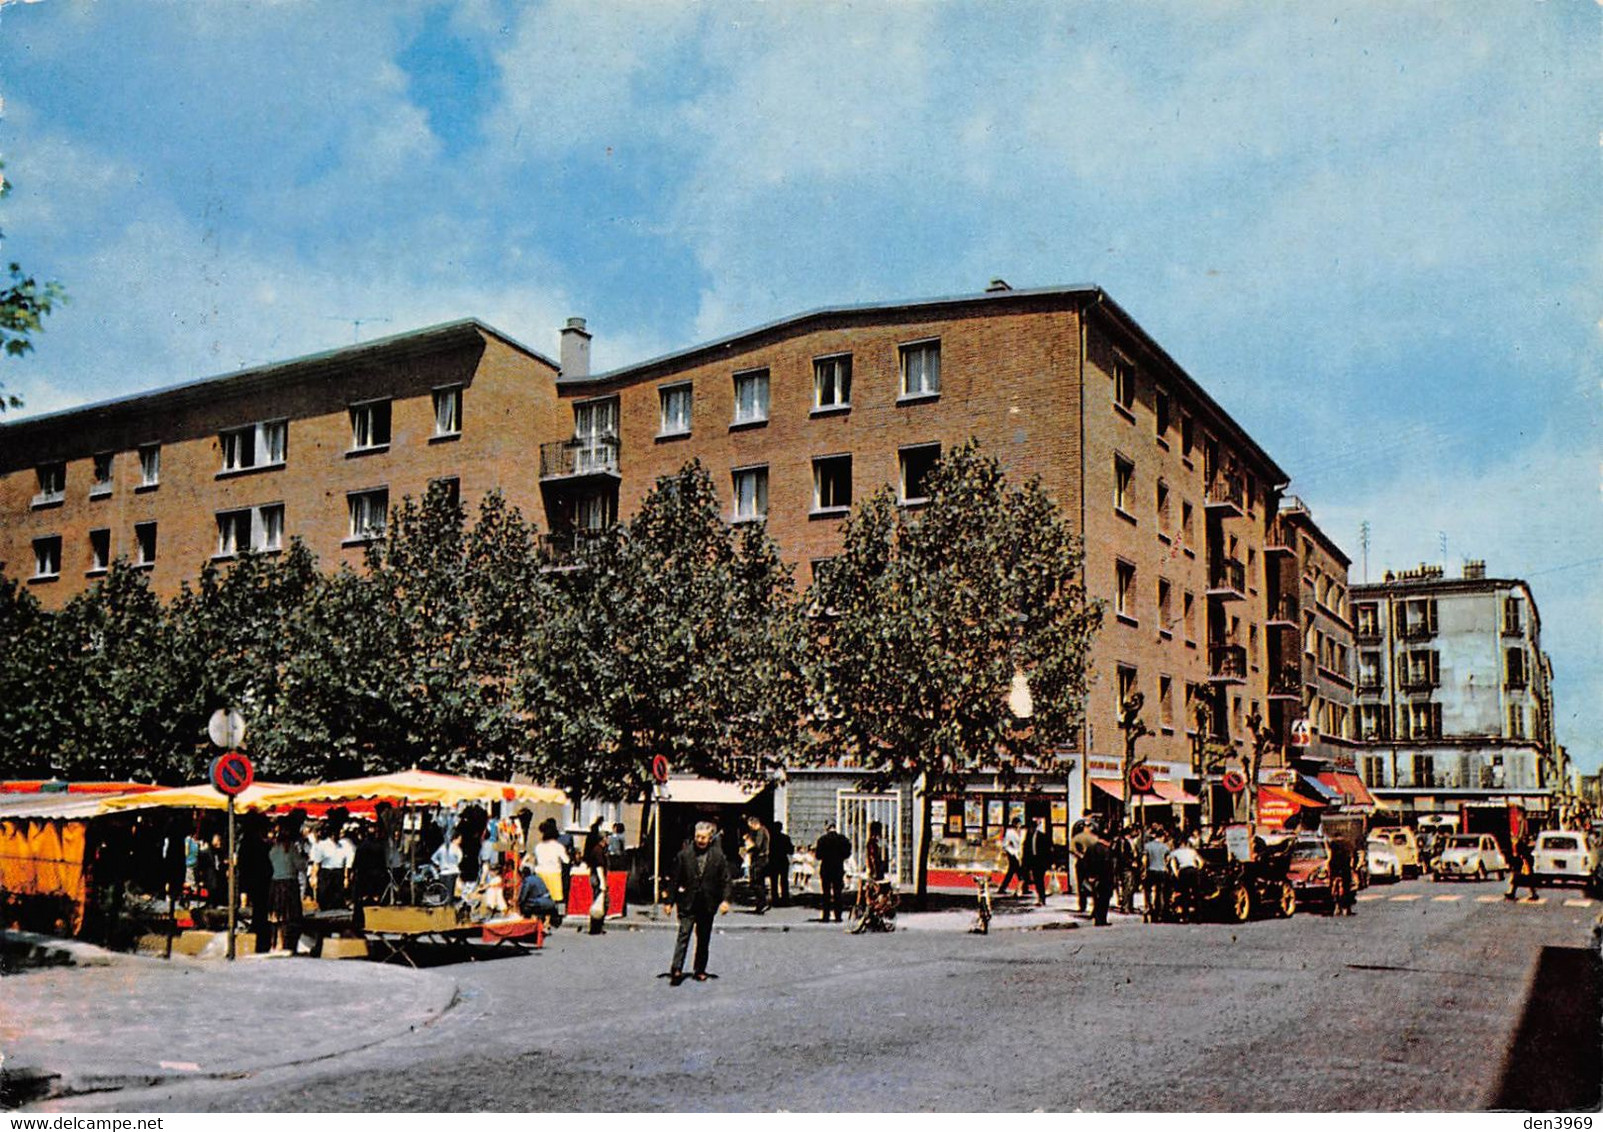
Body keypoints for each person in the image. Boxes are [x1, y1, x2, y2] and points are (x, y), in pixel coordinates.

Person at [664, 821, 732, 985]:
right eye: (698, 837)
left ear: (710, 839)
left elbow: (726, 880)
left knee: (703, 938)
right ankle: (677, 968)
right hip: (688, 902)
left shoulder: (718, 856)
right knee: (683, 935)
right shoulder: (684, 855)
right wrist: (669, 902)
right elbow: (675, 879)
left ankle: (700, 969)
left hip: (707, 903)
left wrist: (725, 900)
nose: (700, 840)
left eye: (703, 837)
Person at [267, 823, 305, 953]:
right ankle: (286, 943)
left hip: (275, 883)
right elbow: (300, 865)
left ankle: (275, 942)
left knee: (276, 915)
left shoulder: (273, 849)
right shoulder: (292, 849)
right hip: (289, 884)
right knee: (289, 916)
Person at [814, 820, 852, 923]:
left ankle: (826, 915)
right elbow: (847, 854)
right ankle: (838, 916)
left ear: (827, 827)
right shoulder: (843, 839)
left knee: (826, 893)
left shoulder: (822, 840)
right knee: (837, 893)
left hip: (826, 868)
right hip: (838, 868)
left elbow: (818, 856)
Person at [1083, 829, 1116, 926]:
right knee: (1104, 900)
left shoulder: (1090, 848)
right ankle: (1102, 919)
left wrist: (1090, 875)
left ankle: (1098, 918)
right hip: (1105, 878)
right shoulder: (1106, 851)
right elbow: (1107, 866)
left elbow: (1085, 863)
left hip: (1094, 878)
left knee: (1097, 899)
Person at [583, 816, 610, 935]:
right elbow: (599, 867)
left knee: (598, 902)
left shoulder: (598, 850)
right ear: (602, 839)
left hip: (596, 877)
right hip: (597, 878)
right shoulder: (598, 851)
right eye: (607, 838)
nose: (608, 840)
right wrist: (603, 884)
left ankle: (596, 926)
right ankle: (595, 926)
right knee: (599, 902)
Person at [1168, 834, 1203, 921]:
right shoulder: (1192, 851)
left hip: (1183, 871)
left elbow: (1172, 864)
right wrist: (1197, 869)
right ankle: (1198, 915)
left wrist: (1177, 873)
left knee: (1185, 894)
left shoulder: (1175, 852)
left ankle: (1186, 915)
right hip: (1193, 870)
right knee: (1196, 893)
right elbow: (1201, 862)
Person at [1070, 816, 1099, 914]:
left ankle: (1082, 905)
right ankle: (1095, 905)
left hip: (1080, 863)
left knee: (1080, 884)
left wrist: (1080, 855)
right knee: (1094, 885)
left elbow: (1072, 849)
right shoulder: (1094, 838)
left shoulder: (1077, 838)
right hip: (1093, 863)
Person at [743, 814, 771, 913]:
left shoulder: (760, 831)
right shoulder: (763, 831)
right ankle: (761, 903)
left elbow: (757, 845)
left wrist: (748, 847)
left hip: (759, 859)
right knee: (759, 882)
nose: (750, 828)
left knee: (756, 881)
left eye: (750, 826)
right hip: (761, 858)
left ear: (755, 824)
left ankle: (763, 902)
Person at [1143, 827, 1171, 922]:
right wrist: (1166, 866)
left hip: (1151, 870)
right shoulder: (1165, 847)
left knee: (1148, 890)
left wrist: (1144, 870)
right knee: (1159, 892)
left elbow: (1144, 859)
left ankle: (1149, 907)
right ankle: (1158, 910)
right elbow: (1168, 859)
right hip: (1161, 871)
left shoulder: (1147, 846)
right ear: (1162, 836)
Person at [1022, 817, 1051, 906]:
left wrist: (1048, 863)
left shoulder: (1042, 836)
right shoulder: (1028, 837)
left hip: (1040, 861)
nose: (1029, 830)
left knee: (1039, 880)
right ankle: (1040, 897)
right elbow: (1026, 850)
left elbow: (1047, 850)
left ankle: (1042, 898)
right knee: (1037, 881)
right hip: (1032, 862)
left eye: (1031, 828)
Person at [1507, 831, 1540, 901]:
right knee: (1516, 879)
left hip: (1526, 870)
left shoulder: (1524, 854)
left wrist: (1526, 869)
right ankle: (1512, 892)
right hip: (1524, 869)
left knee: (1519, 878)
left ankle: (1533, 894)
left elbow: (1527, 863)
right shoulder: (1522, 854)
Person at [768, 820, 794, 908]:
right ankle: (785, 898)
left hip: (773, 860)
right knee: (784, 880)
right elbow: (790, 850)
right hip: (783, 860)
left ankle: (775, 898)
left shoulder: (770, 838)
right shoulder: (785, 838)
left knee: (774, 881)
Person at [997, 817, 1025, 896]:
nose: (1019, 826)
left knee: (1011, 871)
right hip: (1012, 854)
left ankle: (1002, 888)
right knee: (1019, 871)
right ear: (1014, 824)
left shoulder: (1022, 832)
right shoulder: (1010, 832)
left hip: (1019, 854)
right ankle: (1022, 886)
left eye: (1020, 824)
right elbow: (1005, 844)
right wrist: (1010, 852)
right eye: (1018, 824)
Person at [1328, 837, 1357, 916]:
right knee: (1347, 887)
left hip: (1335, 868)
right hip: (1345, 868)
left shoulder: (1332, 845)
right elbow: (1352, 858)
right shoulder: (1347, 845)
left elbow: (1329, 857)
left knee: (1335, 887)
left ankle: (1337, 906)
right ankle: (1346, 907)